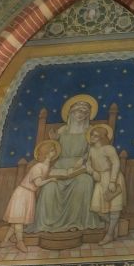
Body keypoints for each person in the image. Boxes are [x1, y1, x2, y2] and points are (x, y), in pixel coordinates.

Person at [30, 94, 102, 234]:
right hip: (60, 167)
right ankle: (47, 223)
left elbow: (93, 151)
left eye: (84, 112)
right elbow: (53, 149)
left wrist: (84, 159)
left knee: (85, 182)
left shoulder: (90, 131)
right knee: (49, 187)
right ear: (71, 113)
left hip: (79, 168)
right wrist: (54, 140)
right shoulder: (62, 130)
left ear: (88, 115)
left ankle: (76, 222)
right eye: (77, 111)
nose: (80, 114)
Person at [2, 140, 76, 253]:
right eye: (52, 150)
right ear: (46, 153)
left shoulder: (46, 166)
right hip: (22, 194)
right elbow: (38, 183)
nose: (54, 152)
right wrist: (51, 180)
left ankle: (5, 241)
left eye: (54, 150)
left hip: (29, 194)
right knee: (18, 220)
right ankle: (20, 242)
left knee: (16, 222)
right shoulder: (38, 167)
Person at [85, 124, 126, 244]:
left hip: (112, 178)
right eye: (92, 135)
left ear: (102, 137)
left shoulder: (109, 149)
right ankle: (114, 226)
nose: (92, 137)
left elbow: (116, 163)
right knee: (99, 210)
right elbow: (88, 163)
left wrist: (112, 181)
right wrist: (93, 172)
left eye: (95, 135)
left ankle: (109, 234)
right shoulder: (91, 149)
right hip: (100, 179)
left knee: (114, 208)